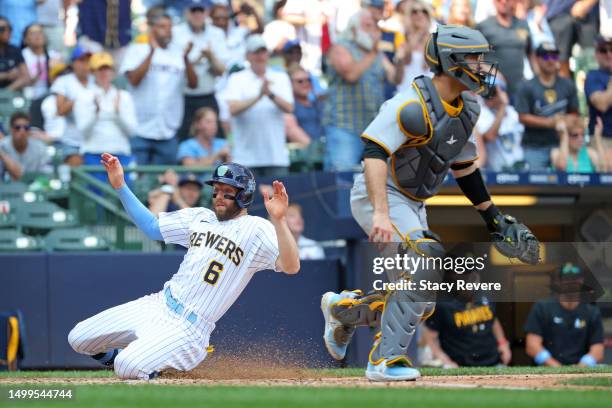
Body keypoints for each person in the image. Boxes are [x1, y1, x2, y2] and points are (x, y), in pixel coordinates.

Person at [319, 25, 540, 381]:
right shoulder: (409, 103)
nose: (482, 66)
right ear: (452, 61)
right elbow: (374, 151)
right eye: (474, 58)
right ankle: (385, 361)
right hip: (380, 193)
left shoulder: (468, 106)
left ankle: (344, 311)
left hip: (414, 201)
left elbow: (464, 166)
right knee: (427, 255)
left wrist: (493, 218)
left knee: (418, 302)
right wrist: (379, 213)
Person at [68, 158, 300, 380]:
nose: (219, 196)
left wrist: (279, 221)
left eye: (227, 192)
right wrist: (120, 186)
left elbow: (291, 267)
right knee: (78, 337)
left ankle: (146, 361)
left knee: (127, 366)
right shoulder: (200, 216)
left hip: (189, 328)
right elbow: (151, 228)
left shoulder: (257, 229)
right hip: (158, 304)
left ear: (245, 195)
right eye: (216, 191)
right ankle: (145, 358)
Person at [322, 9, 401, 171]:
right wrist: (374, 51)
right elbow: (351, 74)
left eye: (374, 26)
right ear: (353, 28)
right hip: (344, 126)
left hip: (371, 129)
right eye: (367, 26)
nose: (373, 30)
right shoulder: (340, 48)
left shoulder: (377, 53)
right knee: (342, 178)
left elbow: (395, 78)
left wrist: (401, 57)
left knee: (370, 179)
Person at [120, 11, 197, 165]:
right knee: (138, 180)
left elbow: (193, 84)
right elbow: (134, 80)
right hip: (139, 129)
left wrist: (186, 59)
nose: (167, 30)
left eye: (169, 27)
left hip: (168, 131)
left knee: (165, 182)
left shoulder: (178, 53)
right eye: (162, 26)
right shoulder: (137, 49)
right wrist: (152, 52)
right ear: (152, 28)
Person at [222, 34, 294, 178]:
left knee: (277, 200)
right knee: (246, 200)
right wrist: (259, 96)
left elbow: (289, 108)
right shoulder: (237, 78)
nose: (260, 57)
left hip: (276, 157)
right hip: (245, 158)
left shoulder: (281, 77)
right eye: (256, 53)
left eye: (262, 52)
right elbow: (233, 109)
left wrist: (270, 95)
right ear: (247, 56)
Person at [423, 272, 511, 367]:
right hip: (461, 365)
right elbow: (430, 336)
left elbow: (493, 320)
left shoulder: (485, 293)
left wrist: (502, 343)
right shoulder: (442, 303)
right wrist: (446, 361)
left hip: (493, 360)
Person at [525, 262, 604, 367]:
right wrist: (557, 367)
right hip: (548, 367)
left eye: (575, 279)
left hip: (581, 367)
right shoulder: (542, 307)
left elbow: (598, 350)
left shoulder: (592, 312)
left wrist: (580, 367)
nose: (571, 282)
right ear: (559, 282)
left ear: (581, 281)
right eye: (567, 279)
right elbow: (532, 346)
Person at [515, 42, 579, 171]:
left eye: (554, 56)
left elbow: (575, 113)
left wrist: (564, 121)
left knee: (565, 185)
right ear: (537, 59)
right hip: (534, 146)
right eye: (545, 56)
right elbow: (522, 117)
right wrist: (550, 122)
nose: (550, 60)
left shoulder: (567, 84)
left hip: (561, 143)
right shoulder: (527, 86)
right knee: (535, 186)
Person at [74, 52, 138, 176]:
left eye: (107, 69)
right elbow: (82, 131)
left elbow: (132, 131)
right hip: (93, 154)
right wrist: (95, 114)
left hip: (121, 153)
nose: (104, 73)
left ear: (113, 72)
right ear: (92, 72)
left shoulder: (124, 96)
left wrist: (118, 114)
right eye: (99, 70)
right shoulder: (83, 96)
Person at [173, 0, 229, 142]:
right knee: (184, 139)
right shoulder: (176, 32)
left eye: (201, 11)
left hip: (207, 95)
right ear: (187, 13)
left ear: (207, 13)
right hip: (184, 97)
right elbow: (176, 67)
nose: (197, 15)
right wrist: (196, 59)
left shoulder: (216, 34)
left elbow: (222, 70)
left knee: (216, 138)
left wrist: (210, 57)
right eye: (194, 11)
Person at [476, 0, 533, 98]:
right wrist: (492, 71)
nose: (503, 1)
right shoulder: (483, 26)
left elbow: (531, 55)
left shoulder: (523, 25)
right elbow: (471, 59)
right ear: (493, 1)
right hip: (494, 92)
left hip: (519, 89)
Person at [50, 45, 93, 166]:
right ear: (73, 63)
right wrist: (78, 99)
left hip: (95, 140)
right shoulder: (64, 81)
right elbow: (60, 110)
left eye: (87, 60)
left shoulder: (96, 81)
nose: (85, 64)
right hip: (72, 141)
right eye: (81, 60)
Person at [476, 77, 526, 172]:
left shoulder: (514, 113)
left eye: (493, 92)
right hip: (496, 172)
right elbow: (490, 136)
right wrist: (502, 107)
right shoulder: (482, 113)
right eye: (484, 92)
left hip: (519, 167)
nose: (488, 96)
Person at [21, 23, 62, 128]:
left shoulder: (54, 56)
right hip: (27, 98)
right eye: (33, 33)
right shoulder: (22, 56)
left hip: (48, 99)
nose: (37, 35)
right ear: (26, 39)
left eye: (40, 32)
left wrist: (55, 70)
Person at [585, 35, 612, 167]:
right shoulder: (593, 76)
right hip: (601, 139)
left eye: (611, 49)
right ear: (597, 54)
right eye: (603, 50)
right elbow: (602, 104)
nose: (608, 54)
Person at [396, 1, 434, 94]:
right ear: (409, 16)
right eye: (414, 11)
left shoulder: (434, 41)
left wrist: (424, 33)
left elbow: (427, 66)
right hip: (406, 93)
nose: (419, 14)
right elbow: (398, 77)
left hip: (428, 95)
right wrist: (418, 33)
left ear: (428, 16)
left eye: (424, 11)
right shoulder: (402, 38)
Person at [0, 111, 49, 180]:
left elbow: (46, 177)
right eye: (17, 128)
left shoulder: (40, 148)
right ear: (11, 129)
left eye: (26, 128)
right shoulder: (2, 146)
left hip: (35, 188)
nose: (22, 132)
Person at [285, 64, 323, 146]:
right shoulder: (288, 107)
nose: (305, 83)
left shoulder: (318, 103)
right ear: (290, 84)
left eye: (308, 80)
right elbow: (292, 130)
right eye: (300, 81)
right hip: (305, 154)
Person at [0, 17, 29, 92]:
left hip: (11, 94)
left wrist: (5, 92)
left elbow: (25, 76)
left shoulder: (15, 50)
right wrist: (7, 75)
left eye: (9, 29)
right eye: (2, 29)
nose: (7, 32)